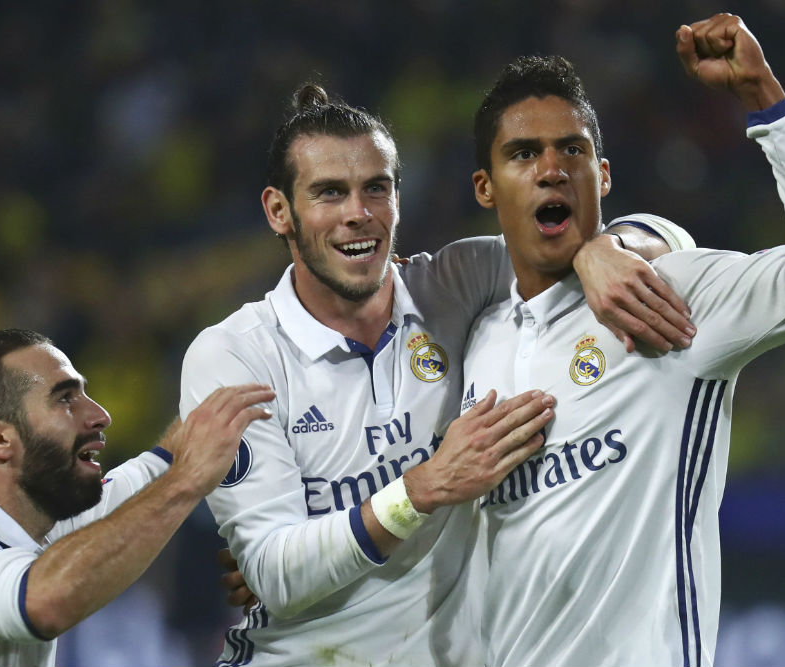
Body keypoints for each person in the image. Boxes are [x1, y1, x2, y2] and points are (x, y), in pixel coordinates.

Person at [179, 81, 697, 664]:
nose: (359, 214)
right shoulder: (234, 355)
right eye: (330, 193)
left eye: (376, 189)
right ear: (280, 210)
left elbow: (647, 239)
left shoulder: (455, 283)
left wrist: (605, 248)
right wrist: (424, 488)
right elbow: (274, 575)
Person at [459, 13, 785, 666]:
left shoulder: (669, 297)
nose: (550, 170)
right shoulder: (475, 341)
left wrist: (766, 99)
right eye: (522, 154)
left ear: (603, 175)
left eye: (571, 151)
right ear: (486, 186)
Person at [0, 328, 275, 667]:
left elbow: (144, 481)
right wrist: (184, 483)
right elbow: (45, 601)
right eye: (65, 400)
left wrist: (232, 400)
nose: (100, 415)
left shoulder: (35, 526)